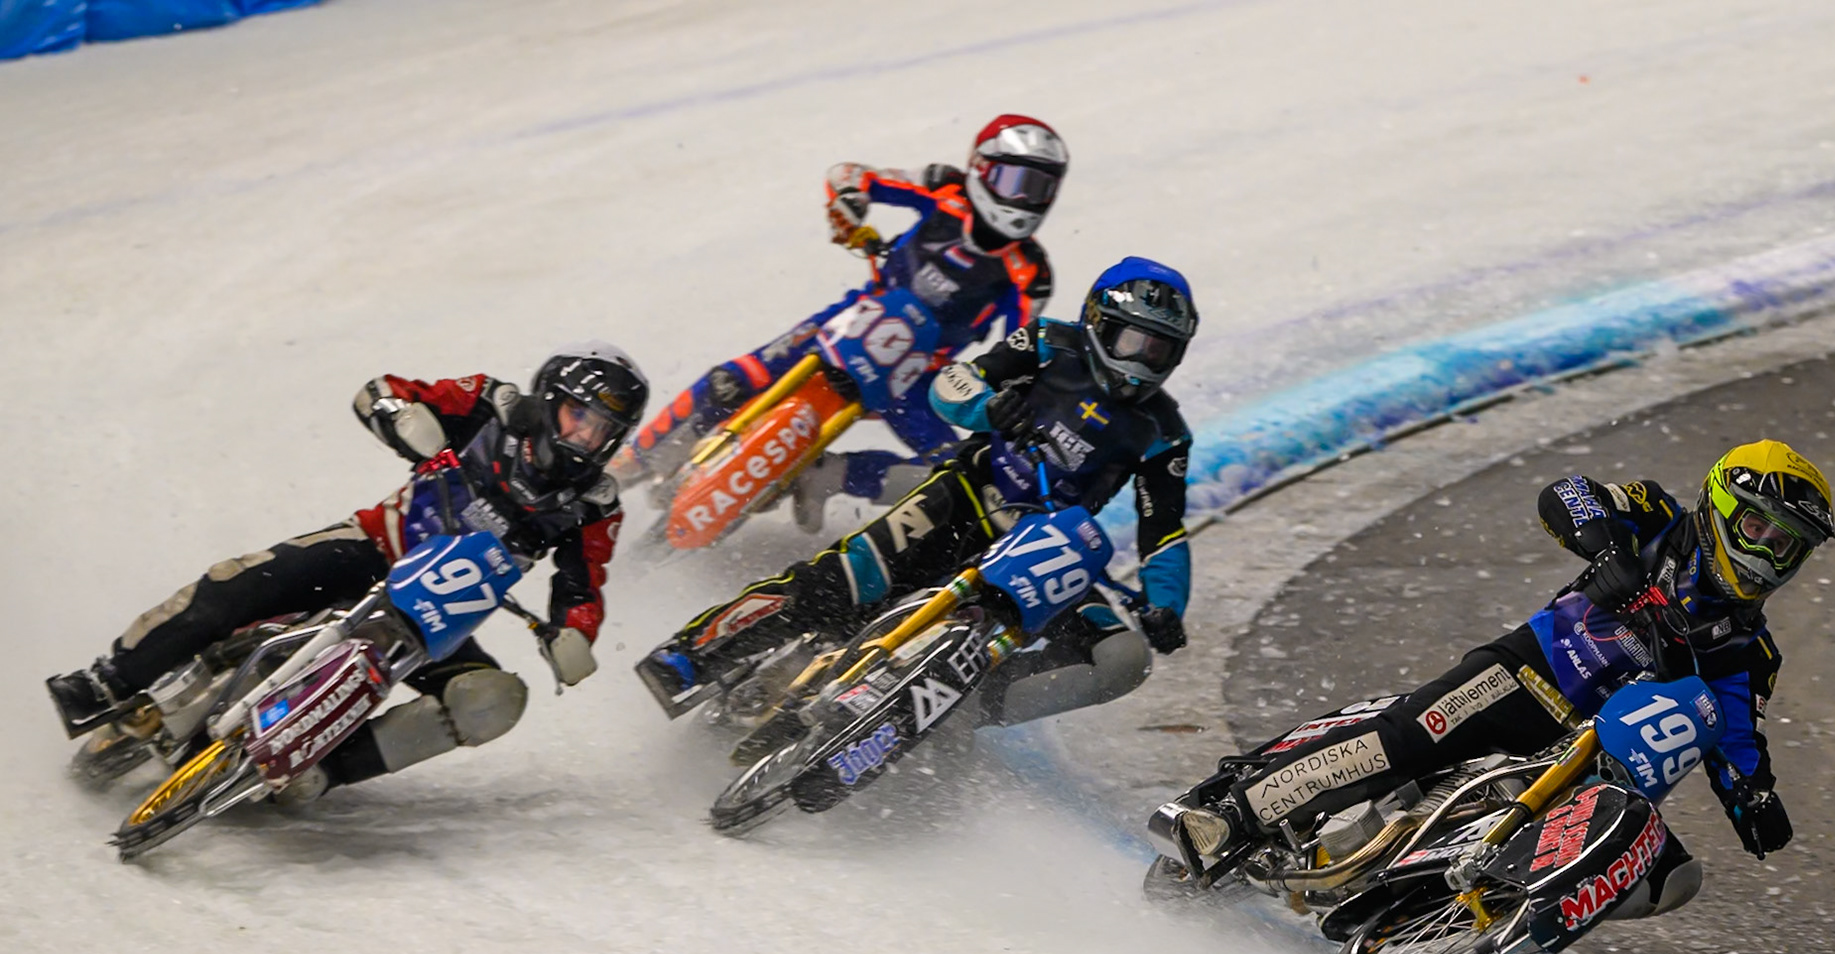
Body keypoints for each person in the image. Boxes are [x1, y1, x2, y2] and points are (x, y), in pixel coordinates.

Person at [1174, 441, 1835, 917]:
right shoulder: (1662, 516)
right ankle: (1233, 816)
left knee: (1671, 879)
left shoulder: (1752, 650)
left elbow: (1736, 730)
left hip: (1600, 761)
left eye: (1787, 545)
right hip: (1533, 673)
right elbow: (1567, 493)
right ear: (1720, 503)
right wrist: (1606, 549)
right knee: (1407, 737)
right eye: (1757, 527)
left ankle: (1435, 915)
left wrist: (1754, 796)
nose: (1768, 553)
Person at [47, 342, 647, 802]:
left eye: (602, 431)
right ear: (549, 400)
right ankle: (108, 682)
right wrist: (403, 417)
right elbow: (379, 391)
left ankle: (324, 772)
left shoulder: (594, 504)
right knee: (238, 581)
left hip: (439, 618)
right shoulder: (492, 402)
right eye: (578, 417)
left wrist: (575, 633)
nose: (585, 438)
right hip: (373, 548)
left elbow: (582, 584)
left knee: (490, 700)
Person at [637, 257, 1200, 729]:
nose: (1140, 365)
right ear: (1098, 322)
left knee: (1122, 658)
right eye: (1134, 342)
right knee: (853, 578)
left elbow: (1164, 530)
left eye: (1159, 352)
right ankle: (694, 653)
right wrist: (988, 406)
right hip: (970, 493)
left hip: (1051, 548)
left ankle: (964, 711)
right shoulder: (1051, 342)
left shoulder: (1165, 431)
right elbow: (952, 384)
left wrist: (1166, 605)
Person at [611, 115, 1067, 530]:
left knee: (955, 475)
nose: (1026, 199)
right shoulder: (943, 190)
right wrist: (848, 207)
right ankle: (635, 459)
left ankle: (833, 475)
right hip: (856, 318)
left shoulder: (1031, 273)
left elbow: (1018, 351)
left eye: (1041, 189)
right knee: (733, 381)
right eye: (1016, 182)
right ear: (981, 169)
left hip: (921, 375)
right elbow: (851, 175)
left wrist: (1003, 396)